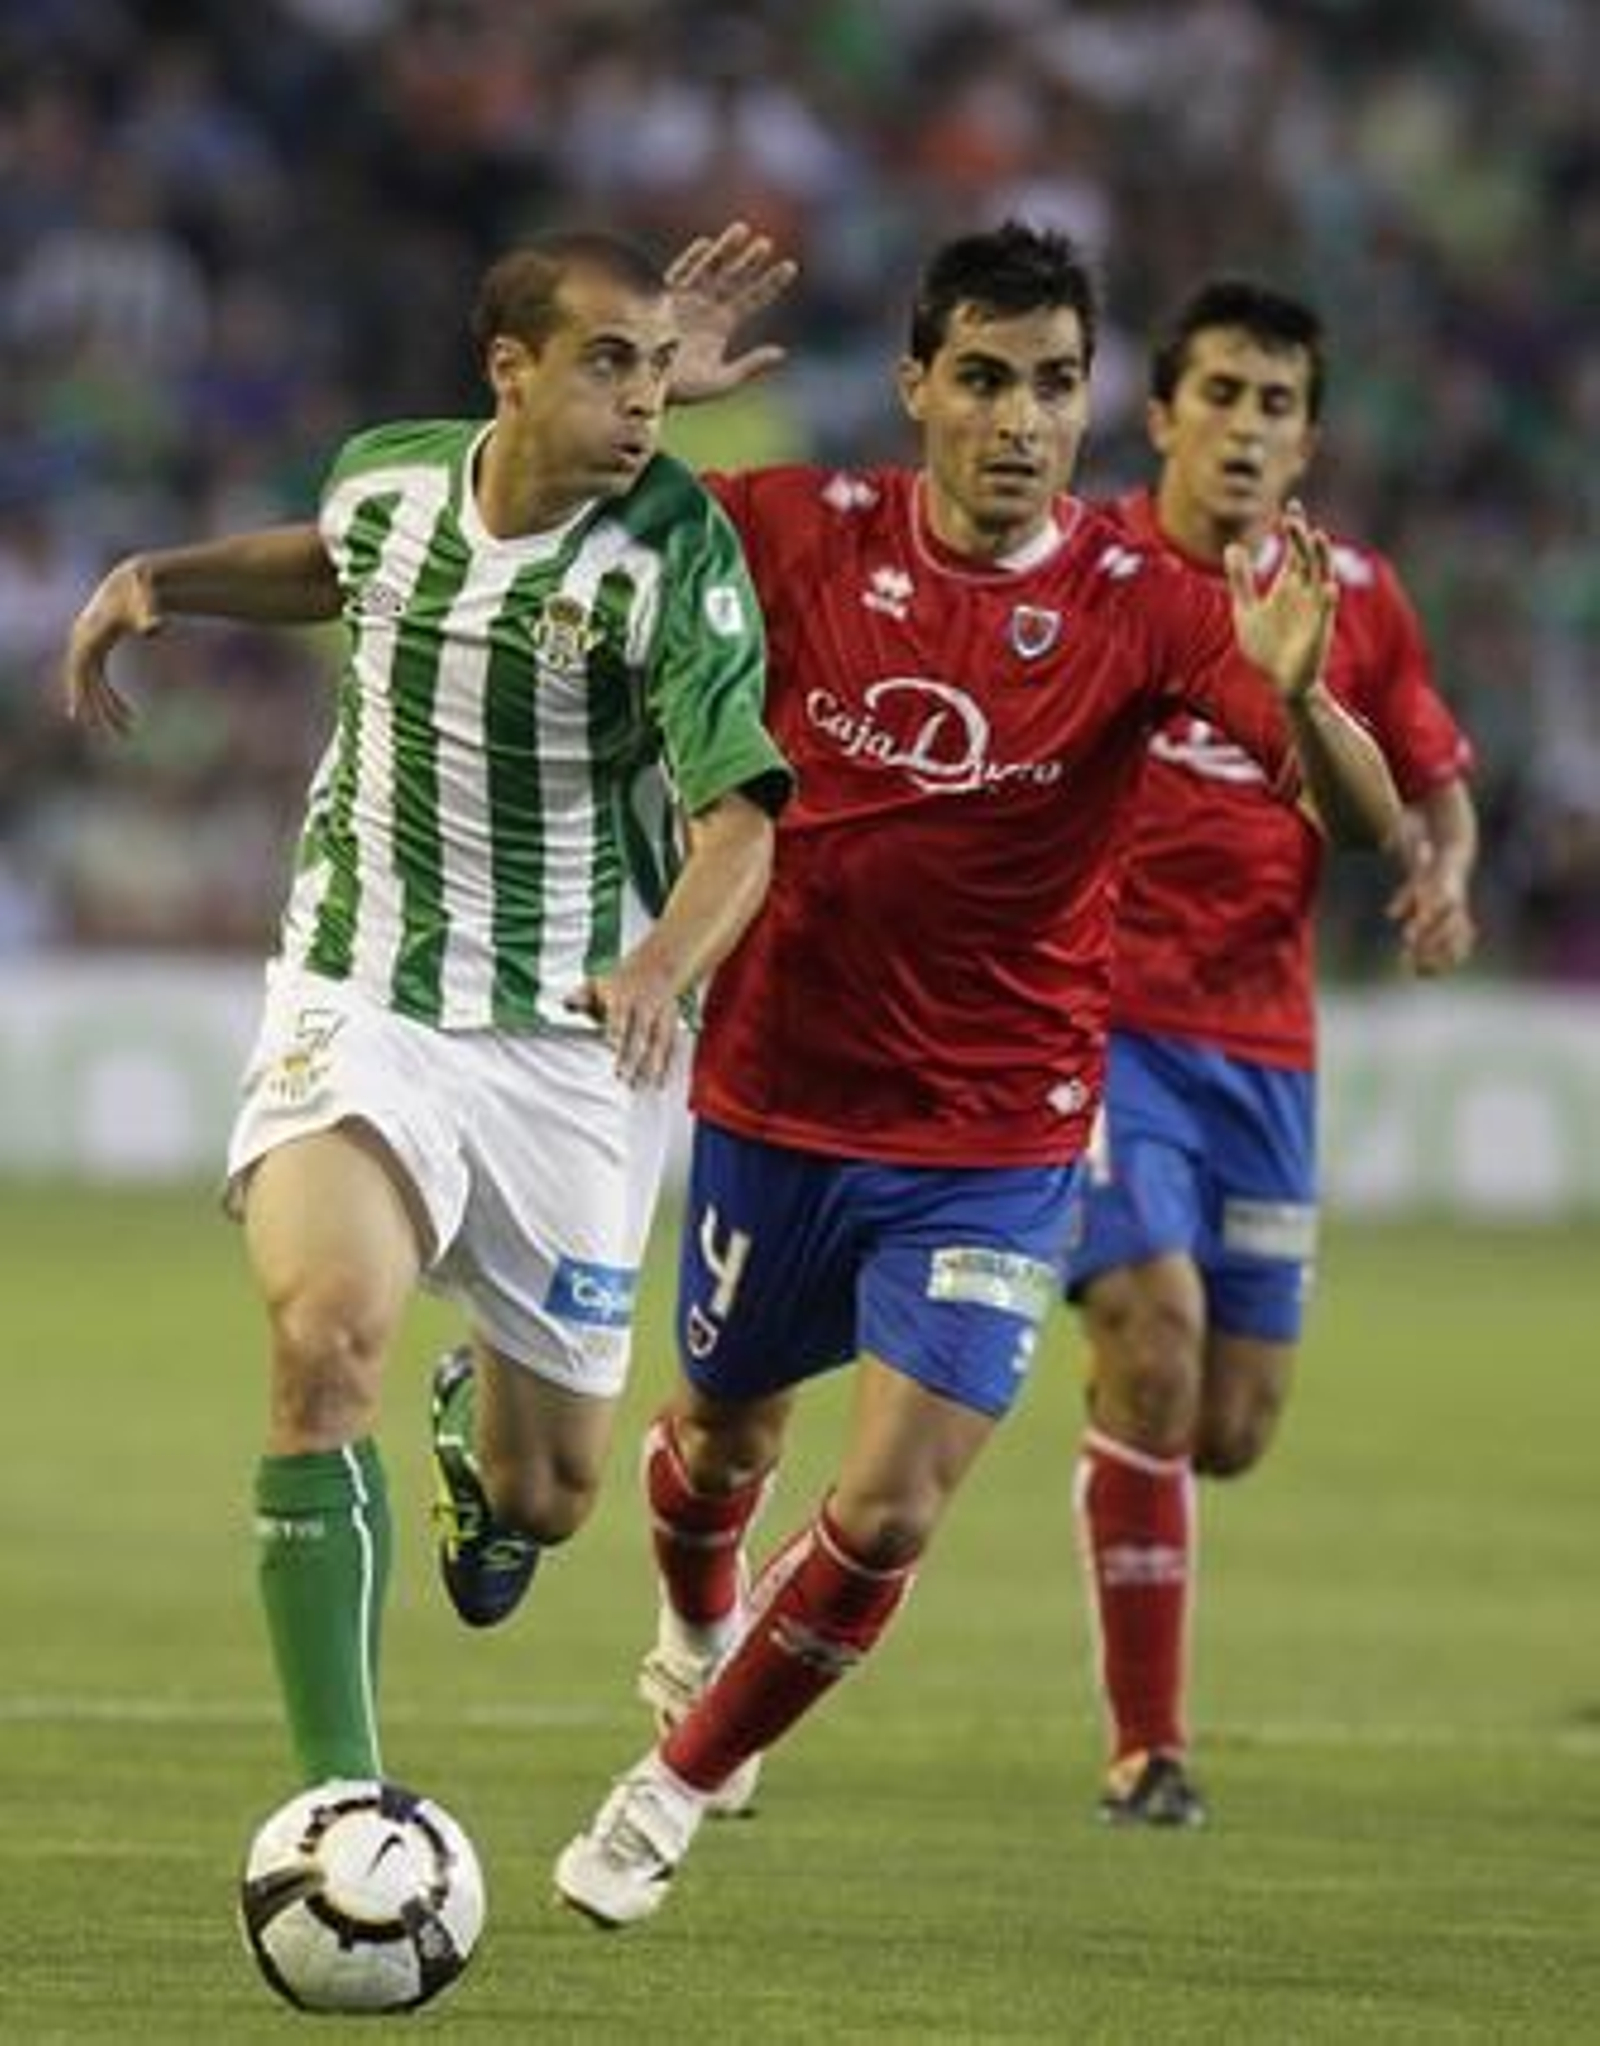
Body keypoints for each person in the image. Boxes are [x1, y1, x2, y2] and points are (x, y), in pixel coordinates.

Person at [546, 221, 1402, 1928]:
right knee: (720, 1442)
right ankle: (699, 1610)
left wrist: (1305, 707)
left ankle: (671, 1786)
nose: (1023, 419)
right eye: (989, 380)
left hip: (999, 1135)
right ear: (918, 387)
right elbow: (525, 514)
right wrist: (638, 397)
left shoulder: (1150, 606)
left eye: (1057, 385)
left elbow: (1363, 825)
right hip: (777, 1097)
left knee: (889, 1501)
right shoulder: (792, 530)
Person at [59, 229, 792, 1793]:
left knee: (552, 1496)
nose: (647, 401)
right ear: (507, 369)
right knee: (326, 1335)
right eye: (609, 361)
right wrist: (159, 580)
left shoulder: (675, 551)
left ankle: (480, 1434)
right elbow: (338, 559)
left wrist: (662, 965)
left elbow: (743, 817)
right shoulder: (390, 479)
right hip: (363, 992)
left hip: (572, 1043)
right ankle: (340, 1800)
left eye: (660, 368)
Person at [1062, 278, 1478, 1827]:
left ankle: (1123, 1432)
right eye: (1219, 394)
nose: (1245, 427)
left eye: (1275, 403)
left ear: (1307, 440)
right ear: (1160, 414)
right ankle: (1148, 1743)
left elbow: (1429, 777)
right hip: (1095, 1025)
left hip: (1266, 1050)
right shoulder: (1091, 568)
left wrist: (1444, 872)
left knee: (1226, 1427)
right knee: (1156, 1335)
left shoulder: (1357, 595)